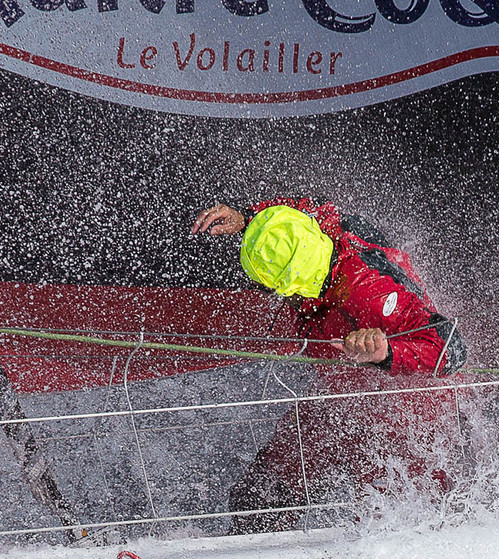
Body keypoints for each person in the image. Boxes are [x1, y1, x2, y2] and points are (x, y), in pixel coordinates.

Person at [192, 196, 466, 524]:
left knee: (391, 520)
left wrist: (385, 353)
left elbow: (451, 348)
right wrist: (250, 218)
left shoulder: (368, 294)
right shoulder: (322, 232)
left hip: (403, 414)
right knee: (263, 487)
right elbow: (306, 207)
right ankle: (249, 535)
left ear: (290, 287)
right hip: (343, 400)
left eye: (269, 288)